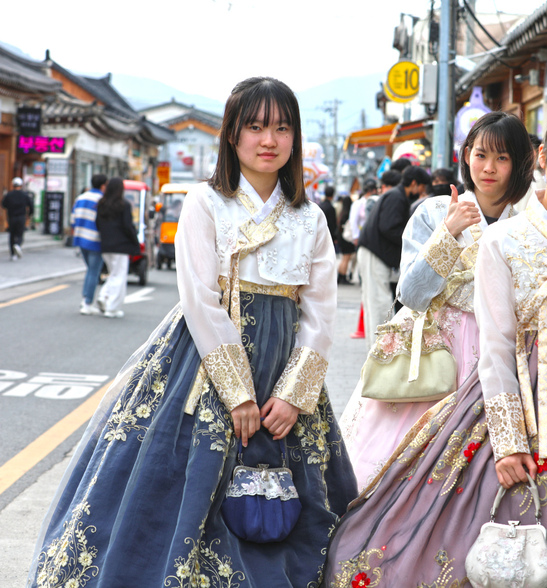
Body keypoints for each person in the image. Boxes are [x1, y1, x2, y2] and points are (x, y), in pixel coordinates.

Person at [28, 77, 357, 588]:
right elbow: (200, 298)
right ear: (232, 134)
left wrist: (295, 395)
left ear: (295, 138)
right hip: (204, 362)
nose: (269, 140)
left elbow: (319, 311)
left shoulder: (309, 217)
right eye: (255, 127)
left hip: (285, 371)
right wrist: (239, 394)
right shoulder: (206, 202)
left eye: (282, 128)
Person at [324, 103, 547, 587]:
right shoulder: (477, 226)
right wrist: (507, 440)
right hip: (483, 367)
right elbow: (449, 314)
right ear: (545, 157)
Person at [340, 111, 535, 491]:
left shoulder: (527, 221)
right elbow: (411, 295)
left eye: (502, 158)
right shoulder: (433, 211)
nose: (489, 168)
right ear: (466, 155)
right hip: (435, 350)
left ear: (519, 164)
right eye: (481, 155)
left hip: (502, 351)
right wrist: (448, 232)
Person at [356, 164, 431, 349]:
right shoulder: (397, 197)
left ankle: (375, 348)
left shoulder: (395, 195)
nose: (421, 193)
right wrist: (410, 239)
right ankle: (380, 350)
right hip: (375, 254)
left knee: (374, 303)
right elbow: (389, 227)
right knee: (379, 304)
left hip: (373, 253)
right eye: (421, 188)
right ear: (414, 183)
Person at [93, 177, 140, 319]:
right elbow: (128, 226)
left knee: (113, 274)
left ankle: (104, 295)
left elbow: (97, 224)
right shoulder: (124, 205)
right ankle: (112, 308)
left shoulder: (101, 204)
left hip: (106, 245)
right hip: (121, 246)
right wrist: (135, 242)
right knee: (119, 276)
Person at [72, 174, 106, 315]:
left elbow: (73, 219)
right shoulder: (102, 200)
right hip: (95, 239)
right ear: (103, 186)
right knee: (94, 271)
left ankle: (85, 299)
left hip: (80, 238)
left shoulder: (80, 198)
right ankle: (87, 303)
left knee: (90, 270)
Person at [2, 177, 33, 260]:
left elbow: (3, 204)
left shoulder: (9, 195)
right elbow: (31, 205)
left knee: (12, 235)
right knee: (20, 234)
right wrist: (29, 214)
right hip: (21, 217)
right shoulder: (25, 195)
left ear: (13, 185)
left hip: (11, 217)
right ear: (21, 185)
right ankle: (18, 244)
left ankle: (13, 254)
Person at [336, 193, 356, 284]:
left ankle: (340, 275)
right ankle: (343, 276)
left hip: (341, 237)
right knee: (346, 258)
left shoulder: (342, 213)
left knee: (344, 258)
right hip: (347, 239)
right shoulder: (349, 214)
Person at [320, 185, 339, 252]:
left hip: (320, 234)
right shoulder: (331, 208)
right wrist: (335, 237)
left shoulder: (320, 206)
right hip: (328, 236)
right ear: (333, 195)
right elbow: (332, 224)